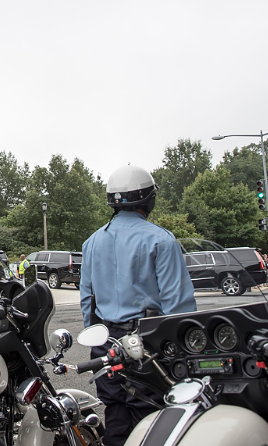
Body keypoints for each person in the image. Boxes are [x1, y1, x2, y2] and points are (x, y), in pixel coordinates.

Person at [80, 164, 196, 446]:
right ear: (148, 199)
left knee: (115, 413)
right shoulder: (161, 240)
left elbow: (87, 300)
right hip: (147, 343)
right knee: (152, 420)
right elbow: (177, 305)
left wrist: (98, 336)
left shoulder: (91, 242)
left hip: (105, 341)